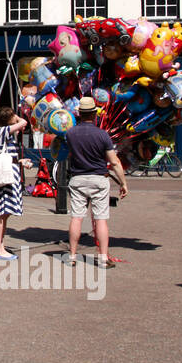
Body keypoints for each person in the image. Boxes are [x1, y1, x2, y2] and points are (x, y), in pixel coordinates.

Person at [63, 97, 128, 268]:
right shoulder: (102, 135)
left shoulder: (70, 133)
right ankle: (103, 258)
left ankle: (72, 256)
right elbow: (114, 162)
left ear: (79, 114)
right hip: (99, 179)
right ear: (94, 114)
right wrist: (123, 183)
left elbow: (68, 154)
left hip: (77, 178)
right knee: (101, 219)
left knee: (76, 218)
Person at [0, 106, 29, 261]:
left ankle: (1, 246)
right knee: (2, 211)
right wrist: (18, 117)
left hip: (11, 175)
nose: (16, 117)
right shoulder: (1, 131)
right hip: (6, 178)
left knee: (5, 213)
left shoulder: (8, 135)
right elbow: (23, 122)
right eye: (13, 115)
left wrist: (20, 161)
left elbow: (8, 157)